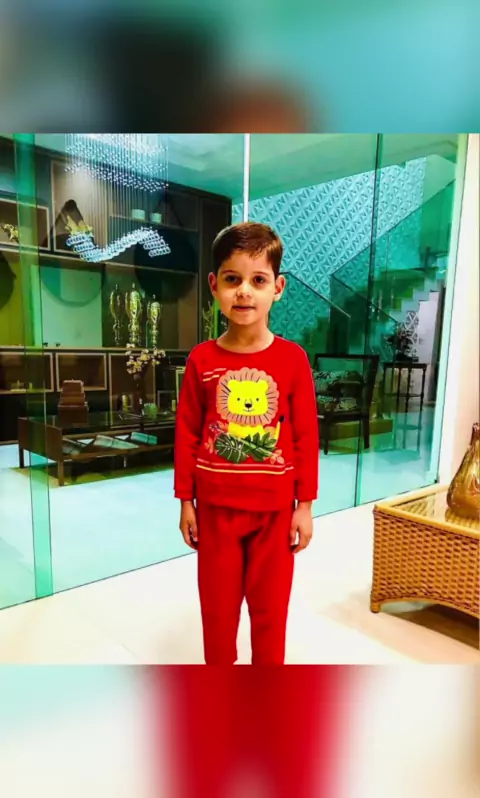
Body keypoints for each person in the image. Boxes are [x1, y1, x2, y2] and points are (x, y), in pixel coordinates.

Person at [174, 222, 319, 665]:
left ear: (278, 288)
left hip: (275, 512)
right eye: (232, 279)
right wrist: (185, 501)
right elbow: (187, 433)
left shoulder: (293, 359)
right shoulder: (201, 359)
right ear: (214, 285)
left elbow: (305, 435)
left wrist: (304, 506)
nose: (244, 292)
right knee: (217, 612)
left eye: (258, 280)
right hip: (215, 510)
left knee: (270, 612)